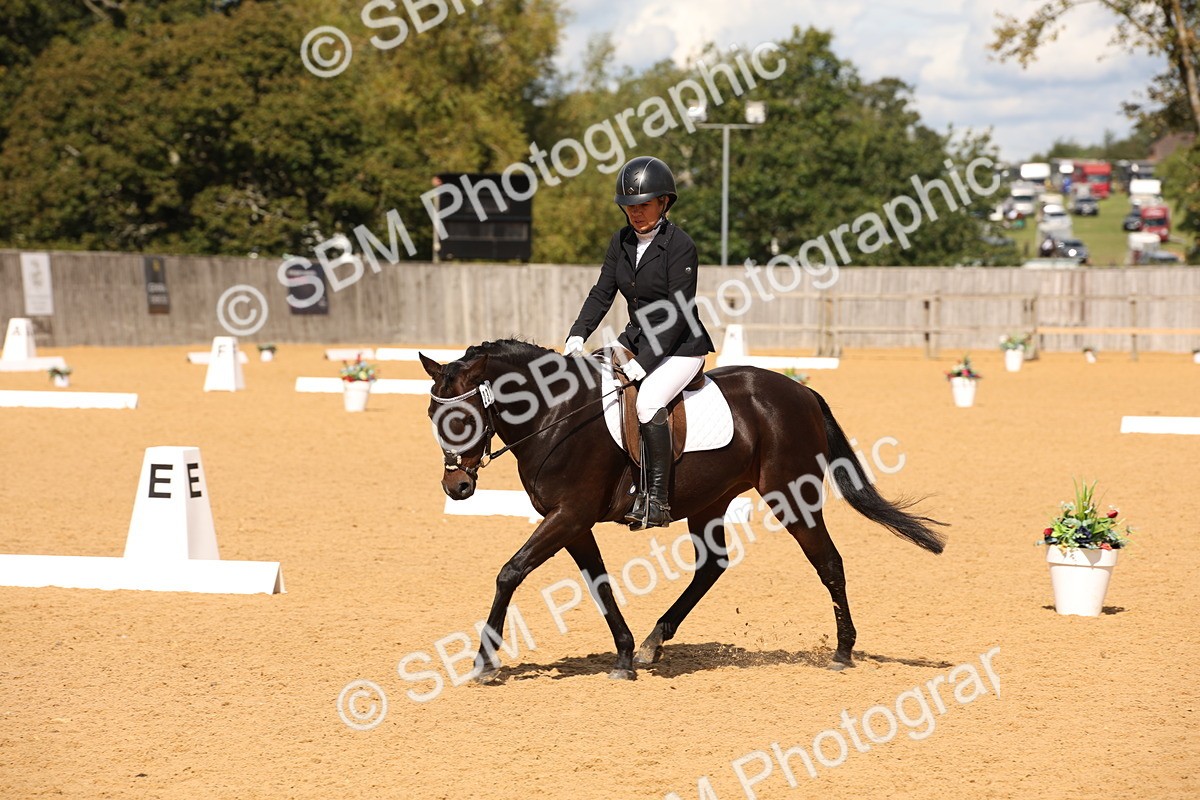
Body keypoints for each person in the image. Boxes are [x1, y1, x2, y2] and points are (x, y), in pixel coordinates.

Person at [564, 156, 715, 530]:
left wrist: (643, 362)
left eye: (643, 204)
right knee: (598, 388)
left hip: (681, 346)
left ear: (664, 202)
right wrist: (577, 334)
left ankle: (657, 499)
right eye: (629, 207)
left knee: (647, 402)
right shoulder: (621, 241)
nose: (636, 213)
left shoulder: (681, 246)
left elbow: (677, 314)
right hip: (634, 340)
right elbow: (602, 293)